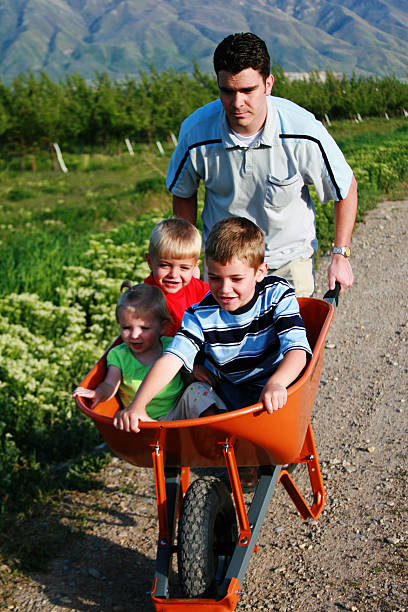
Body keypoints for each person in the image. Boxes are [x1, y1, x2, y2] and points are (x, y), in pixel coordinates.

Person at [166, 32, 358, 297]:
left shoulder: (302, 133)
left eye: (247, 90)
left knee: (292, 337)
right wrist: (187, 258)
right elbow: (183, 193)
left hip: (287, 263)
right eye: (227, 91)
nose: (237, 103)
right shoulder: (196, 133)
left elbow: (345, 188)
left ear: (268, 84)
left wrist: (340, 254)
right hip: (225, 269)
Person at [113, 217, 312, 434]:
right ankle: (233, 447)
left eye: (236, 279)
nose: (225, 289)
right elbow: (172, 358)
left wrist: (276, 383)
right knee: (204, 398)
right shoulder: (200, 314)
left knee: (273, 423)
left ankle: (253, 448)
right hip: (231, 389)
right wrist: (138, 406)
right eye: (215, 278)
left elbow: (297, 348)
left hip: (280, 384)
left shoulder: (277, 294)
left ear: (260, 272)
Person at [73, 283, 227, 423]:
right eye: (126, 328)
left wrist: (194, 370)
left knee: (198, 391)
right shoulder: (119, 355)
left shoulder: (170, 345)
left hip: (177, 412)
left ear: (163, 327)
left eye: (144, 328)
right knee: (126, 419)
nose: (134, 335)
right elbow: (109, 384)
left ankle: (215, 432)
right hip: (140, 420)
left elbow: (184, 371)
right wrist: (98, 393)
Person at [144, 217, 209, 335]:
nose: (174, 275)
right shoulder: (146, 297)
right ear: (150, 262)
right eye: (165, 265)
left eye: (184, 268)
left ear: (195, 266)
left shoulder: (198, 288)